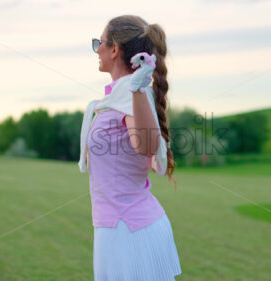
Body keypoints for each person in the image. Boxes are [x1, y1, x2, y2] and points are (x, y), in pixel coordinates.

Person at [82, 15, 182, 280]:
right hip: (121, 226)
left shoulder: (130, 93)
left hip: (128, 230)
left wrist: (137, 91)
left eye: (99, 43)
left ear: (114, 49)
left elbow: (147, 147)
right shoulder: (117, 96)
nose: (97, 49)